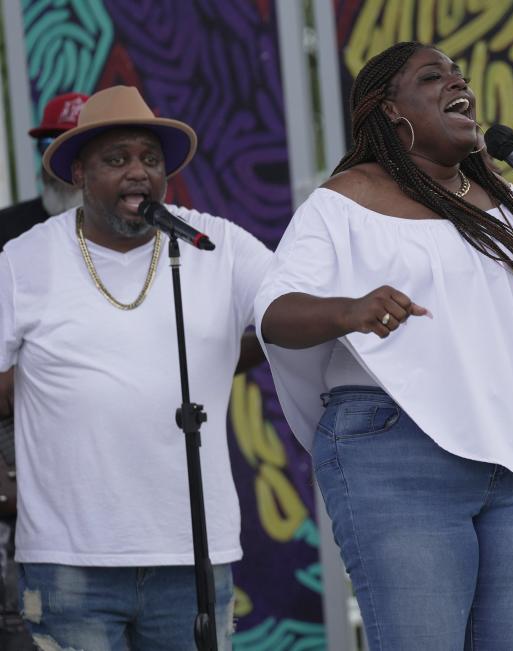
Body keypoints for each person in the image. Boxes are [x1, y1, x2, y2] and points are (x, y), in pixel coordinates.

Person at [255, 41, 513, 650]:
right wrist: (351, 310)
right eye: (432, 77)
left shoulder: (511, 202)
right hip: (397, 452)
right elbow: (276, 314)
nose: (456, 83)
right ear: (390, 111)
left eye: (459, 75)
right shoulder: (344, 201)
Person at [0, 85, 271, 650]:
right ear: (79, 173)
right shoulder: (23, 260)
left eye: (150, 159)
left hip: (190, 553)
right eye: (116, 159)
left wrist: (350, 309)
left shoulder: (213, 244)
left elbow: (291, 305)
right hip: (70, 558)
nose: (138, 173)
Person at [0, 90, 88, 651]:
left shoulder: (143, 237)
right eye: (47, 143)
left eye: (69, 146)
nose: (54, 155)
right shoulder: (8, 231)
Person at [0, 91, 88, 249]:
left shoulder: (126, 228)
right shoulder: (4, 228)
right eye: (49, 145)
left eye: (75, 149)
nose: (60, 161)